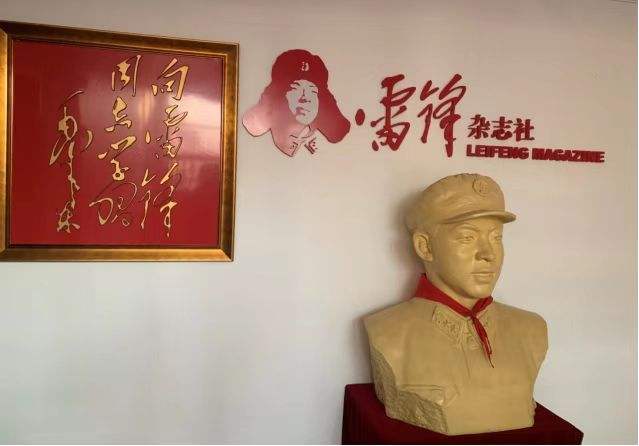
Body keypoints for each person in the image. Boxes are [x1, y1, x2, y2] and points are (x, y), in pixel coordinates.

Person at [364, 173, 548, 435]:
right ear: (425, 247)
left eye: (496, 238)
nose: (488, 254)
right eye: (467, 237)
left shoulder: (531, 329)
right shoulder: (387, 332)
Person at [243, 49, 350, 157]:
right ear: (282, 97)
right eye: (296, 90)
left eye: (312, 91)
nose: (305, 98)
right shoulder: (264, 121)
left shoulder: (318, 134)